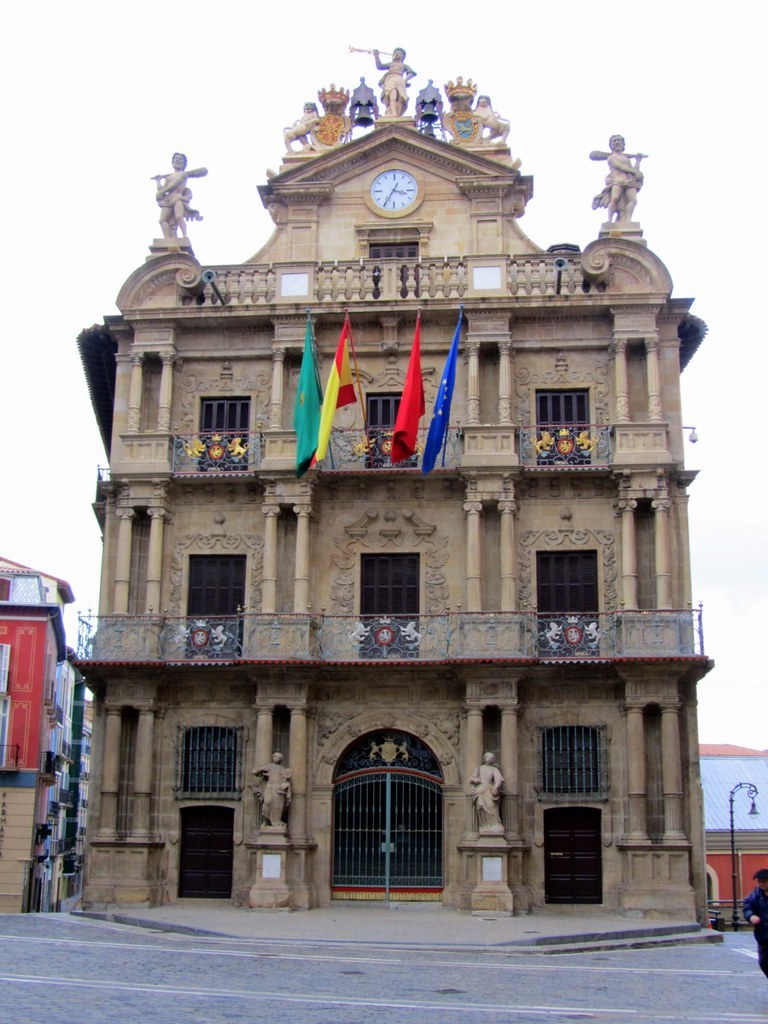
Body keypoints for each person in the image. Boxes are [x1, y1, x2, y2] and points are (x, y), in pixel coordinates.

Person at [591, 135, 645, 224]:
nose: (616, 142)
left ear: (623, 144)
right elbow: (621, 167)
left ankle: (627, 220)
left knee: (633, 201)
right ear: (611, 145)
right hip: (618, 181)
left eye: (619, 141)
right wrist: (635, 172)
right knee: (615, 199)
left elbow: (634, 172)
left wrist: (638, 160)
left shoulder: (626, 159)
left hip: (629, 183)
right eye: (614, 141)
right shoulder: (611, 158)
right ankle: (609, 220)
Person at [154, 152, 208, 238]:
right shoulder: (168, 177)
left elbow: (173, 185)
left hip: (177, 198)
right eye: (176, 159)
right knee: (162, 221)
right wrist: (158, 181)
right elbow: (161, 190)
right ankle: (167, 239)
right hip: (168, 200)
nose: (178, 160)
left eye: (180, 159)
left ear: (184, 163)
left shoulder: (183, 174)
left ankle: (185, 236)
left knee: (179, 217)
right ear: (172, 162)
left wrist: (161, 192)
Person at [373, 48, 416, 117]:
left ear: (403, 57)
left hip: (400, 79)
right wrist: (376, 56)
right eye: (396, 53)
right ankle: (393, 113)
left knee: (402, 97)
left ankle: (398, 113)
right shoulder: (391, 64)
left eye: (400, 53)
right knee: (392, 96)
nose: (398, 54)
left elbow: (411, 73)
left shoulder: (404, 65)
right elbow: (379, 66)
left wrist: (406, 80)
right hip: (390, 79)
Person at [255, 751, 292, 829]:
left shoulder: (282, 768)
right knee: (266, 803)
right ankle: (265, 821)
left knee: (277, 806)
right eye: (275, 756)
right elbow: (254, 772)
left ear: (280, 759)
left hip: (278, 788)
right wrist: (260, 770)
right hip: (269, 786)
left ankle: (276, 822)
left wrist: (286, 784)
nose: (276, 758)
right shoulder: (269, 766)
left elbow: (285, 778)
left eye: (278, 757)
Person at [470, 751, 504, 833]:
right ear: (485, 758)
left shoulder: (494, 769)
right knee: (481, 807)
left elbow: (499, 779)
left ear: (493, 760)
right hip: (480, 790)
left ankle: (494, 825)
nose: (489, 759)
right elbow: (472, 778)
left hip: (489, 790)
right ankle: (485, 825)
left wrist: (495, 787)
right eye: (488, 757)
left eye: (491, 758)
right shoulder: (480, 768)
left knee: (491, 807)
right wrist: (476, 780)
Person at [744, 868, 768, 978]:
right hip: (763, 935)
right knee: (764, 962)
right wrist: (750, 916)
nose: (761, 884)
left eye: (763, 881)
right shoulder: (756, 894)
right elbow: (747, 906)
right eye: (759, 881)